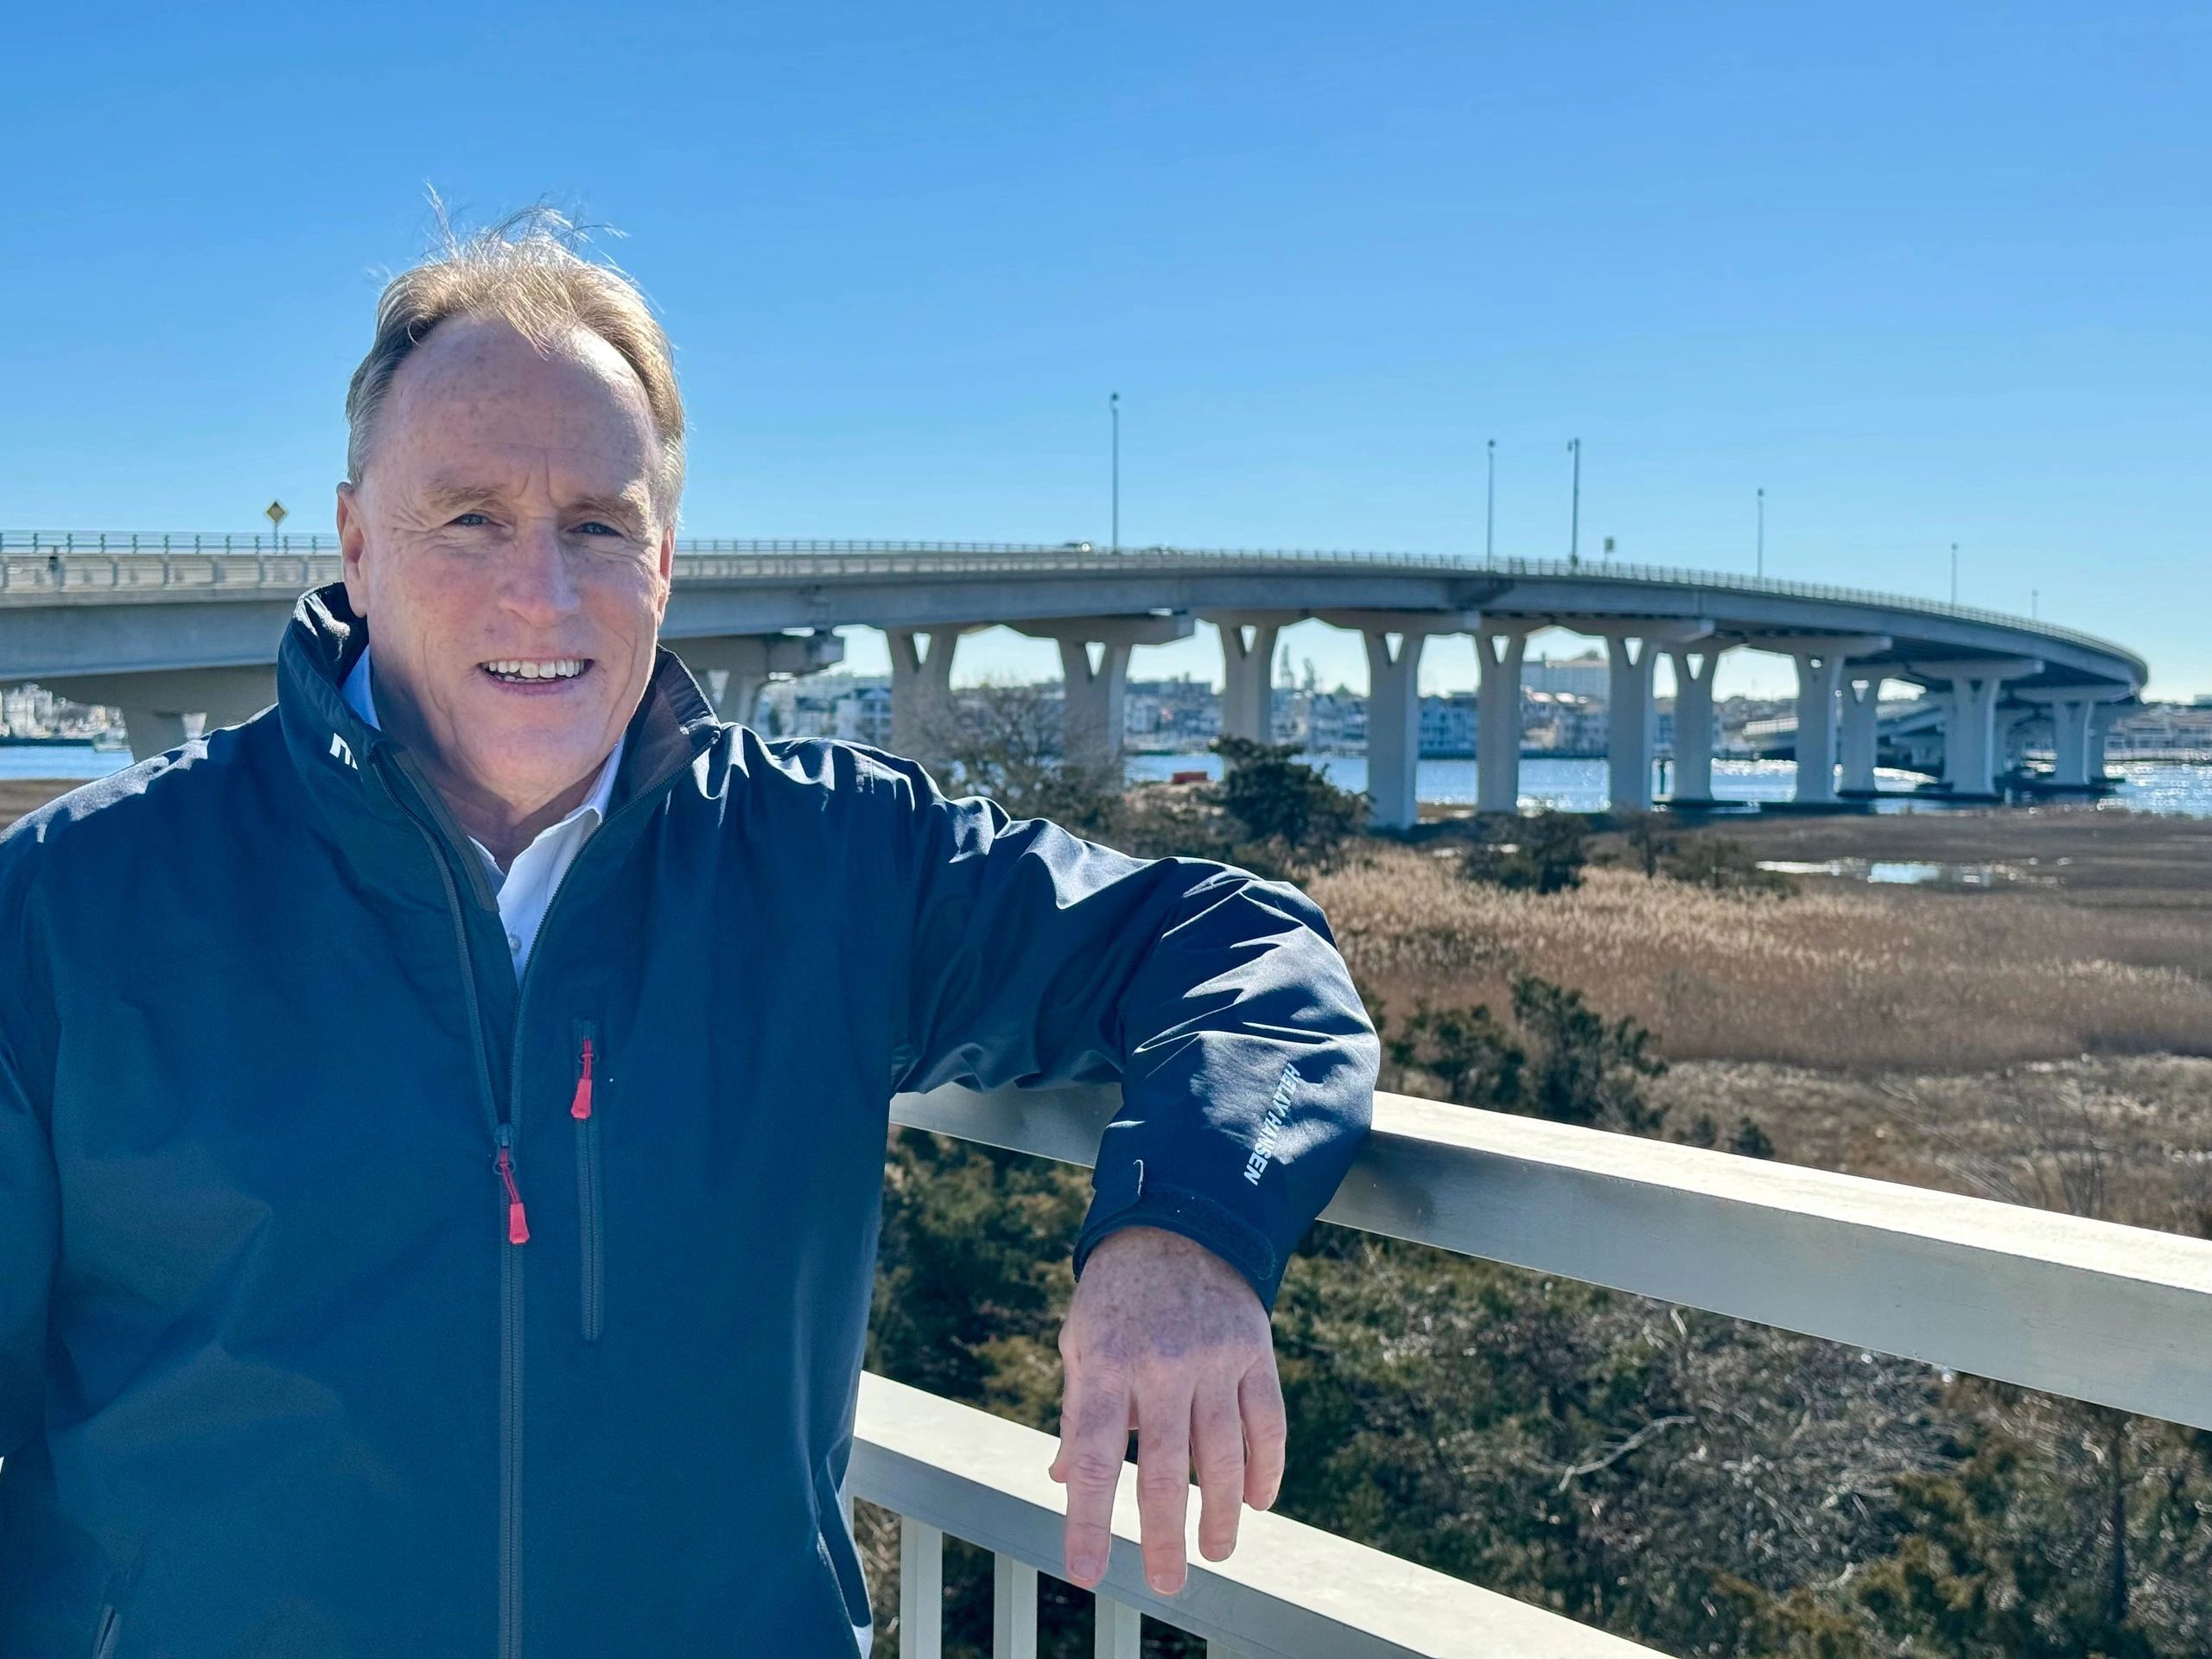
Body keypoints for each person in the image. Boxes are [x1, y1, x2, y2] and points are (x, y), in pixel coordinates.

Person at [0, 213, 1376, 1656]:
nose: (542, 590)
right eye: (468, 518)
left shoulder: (831, 862)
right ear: (354, 543)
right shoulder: (76, 908)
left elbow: (1242, 949)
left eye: (598, 526)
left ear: (663, 560)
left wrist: (1183, 1225)